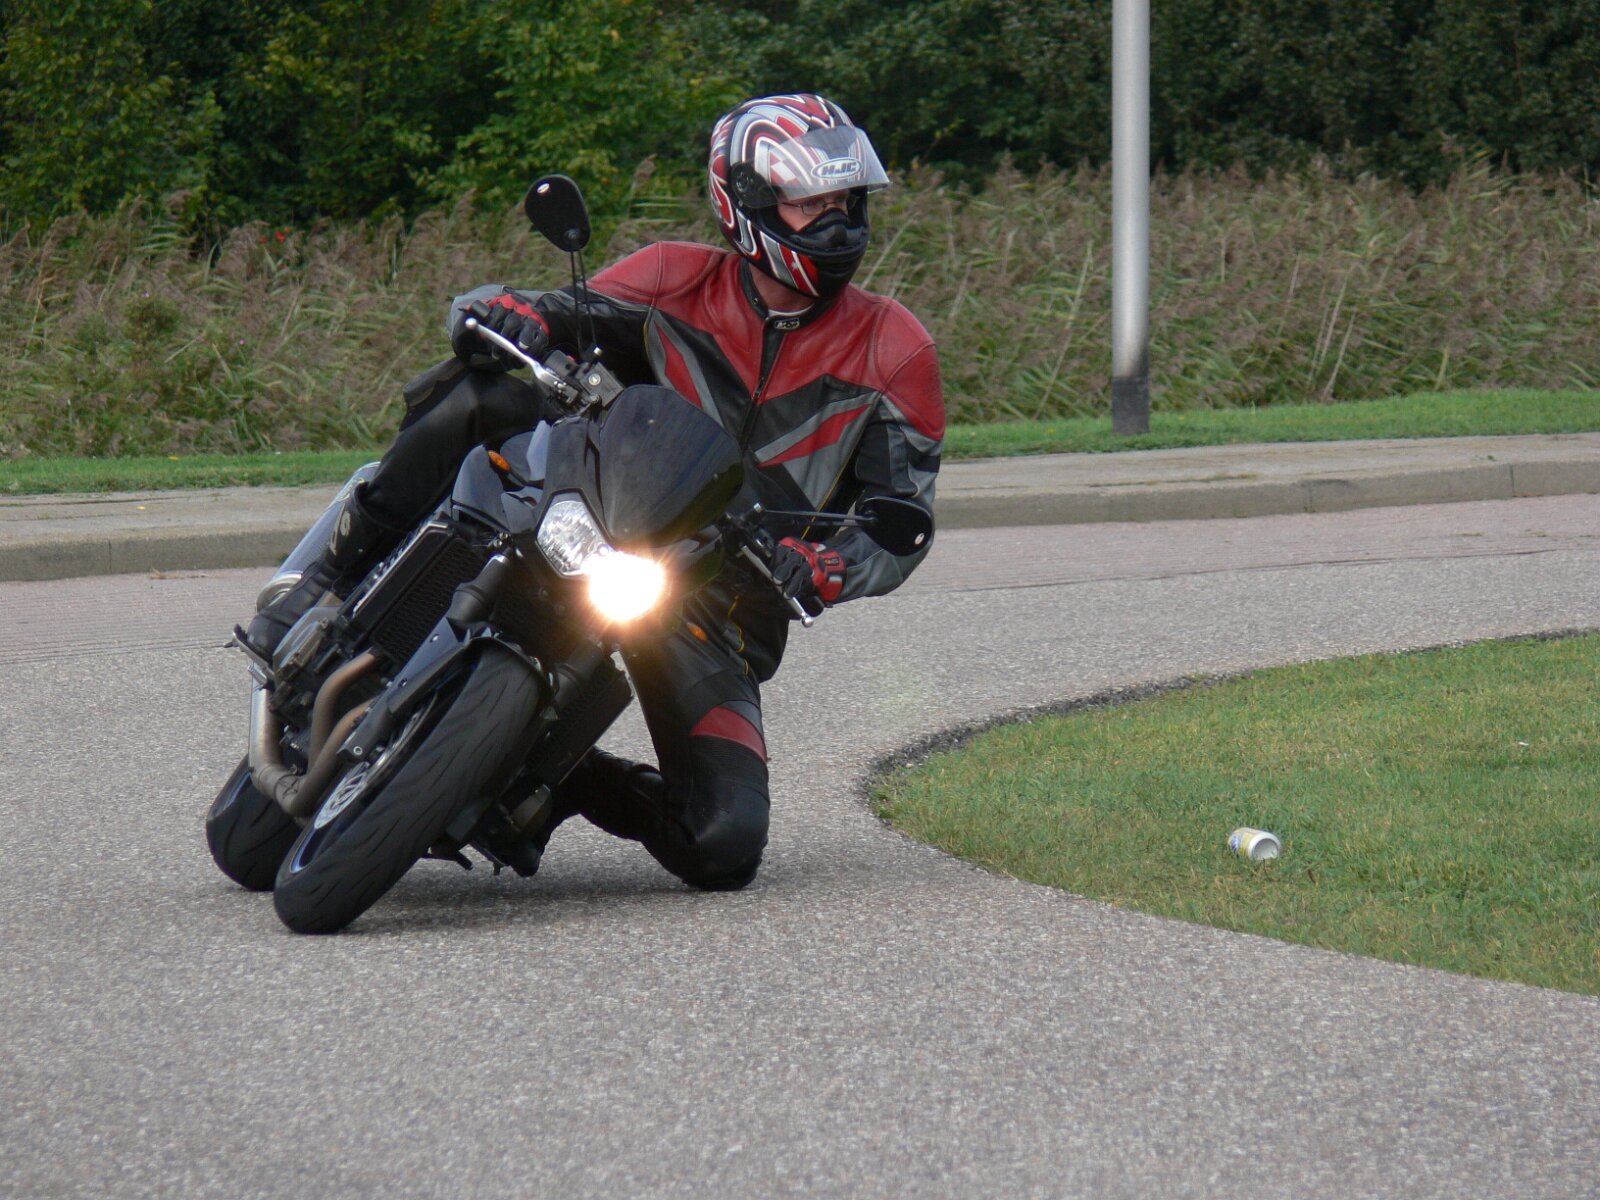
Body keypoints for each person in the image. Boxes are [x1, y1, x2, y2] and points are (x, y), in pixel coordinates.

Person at [246, 93, 945, 890]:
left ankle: (564, 775)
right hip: (597, 510)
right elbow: (546, 314)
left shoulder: (896, 349)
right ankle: (324, 580)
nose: (836, 221)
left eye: (845, 201)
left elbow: (899, 521)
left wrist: (824, 565)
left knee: (722, 840)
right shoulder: (673, 276)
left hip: (719, 602)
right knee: (480, 397)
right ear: (747, 202)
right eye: (811, 202)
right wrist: (505, 314)